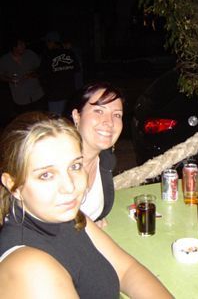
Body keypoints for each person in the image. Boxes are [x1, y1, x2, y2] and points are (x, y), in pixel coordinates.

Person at [0, 112, 172, 298]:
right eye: (46, 175)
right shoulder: (30, 269)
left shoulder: (68, 217)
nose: (70, 187)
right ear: (13, 185)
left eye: (74, 166)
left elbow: (126, 270)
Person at [71, 82, 123, 227]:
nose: (109, 122)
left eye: (117, 115)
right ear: (77, 116)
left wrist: (95, 219)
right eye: (99, 111)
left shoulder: (107, 161)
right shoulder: (54, 163)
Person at [0, 35, 46, 114]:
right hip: (20, 98)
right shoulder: (5, 59)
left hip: (37, 94)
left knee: (41, 117)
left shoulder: (30, 54)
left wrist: (33, 74)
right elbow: (1, 76)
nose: (24, 46)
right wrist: (10, 80)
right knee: (26, 122)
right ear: (14, 47)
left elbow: (42, 69)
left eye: (24, 44)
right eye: (21, 44)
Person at [40, 31, 79, 116]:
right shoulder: (70, 53)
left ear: (51, 42)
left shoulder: (47, 55)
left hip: (55, 96)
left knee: (57, 122)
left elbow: (43, 76)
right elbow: (77, 71)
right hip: (70, 94)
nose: (46, 44)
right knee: (70, 120)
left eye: (47, 42)